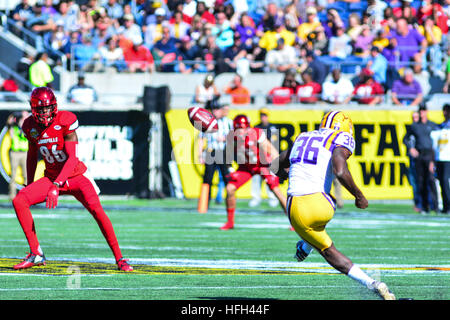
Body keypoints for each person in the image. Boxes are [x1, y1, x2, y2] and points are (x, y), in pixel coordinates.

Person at [271, 111, 396, 300]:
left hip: (297, 207)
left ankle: (372, 284)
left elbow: (274, 164)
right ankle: (374, 284)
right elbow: (339, 169)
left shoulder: (303, 136)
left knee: (328, 252)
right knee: (323, 242)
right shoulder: (341, 137)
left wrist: (284, 174)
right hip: (324, 205)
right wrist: (359, 195)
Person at [12, 87, 133, 271]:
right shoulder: (29, 125)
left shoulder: (65, 120)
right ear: (33, 108)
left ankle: (120, 258)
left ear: (54, 106)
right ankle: (36, 253)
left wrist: (56, 185)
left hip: (75, 176)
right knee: (19, 200)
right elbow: (31, 155)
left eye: (48, 108)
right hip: (52, 178)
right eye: (41, 109)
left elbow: (72, 159)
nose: (45, 113)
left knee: (97, 211)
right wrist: (31, 183)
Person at [221, 114, 287, 230]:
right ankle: (230, 222)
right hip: (246, 167)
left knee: (276, 191)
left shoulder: (256, 134)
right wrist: (230, 168)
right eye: (238, 129)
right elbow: (227, 154)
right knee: (230, 188)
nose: (241, 132)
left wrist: (278, 167)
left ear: (248, 127)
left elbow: (271, 150)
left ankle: (293, 222)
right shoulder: (232, 137)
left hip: (263, 164)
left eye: (243, 128)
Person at [197, 101, 233, 213]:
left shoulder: (228, 122)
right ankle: (204, 205)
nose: (215, 111)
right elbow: (201, 139)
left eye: (217, 109)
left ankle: (230, 205)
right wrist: (200, 155)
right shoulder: (206, 122)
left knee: (227, 179)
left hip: (223, 152)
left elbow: (234, 137)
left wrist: (226, 138)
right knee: (207, 179)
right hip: (210, 152)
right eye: (213, 109)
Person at [403, 104, 439, 214]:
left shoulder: (432, 125)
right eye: (420, 110)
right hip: (419, 155)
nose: (422, 112)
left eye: (423, 110)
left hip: (430, 154)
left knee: (431, 180)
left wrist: (433, 159)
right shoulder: (415, 126)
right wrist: (411, 148)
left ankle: (436, 206)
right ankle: (424, 206)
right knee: (420, 180)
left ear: (427, 111)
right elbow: (405, 138)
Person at [250, 108, 279, 208]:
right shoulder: (256, 127)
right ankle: (256, 198)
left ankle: (272, 197)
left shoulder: (272, 128)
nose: (263, 118)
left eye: (265, 115)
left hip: (269, 156)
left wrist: (273, 156)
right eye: (262, 115)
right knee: (256, 177)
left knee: (270, 177)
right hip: (258, 156)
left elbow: (274, 143)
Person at [430, 104, 450, 214]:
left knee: (446, 181)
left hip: (448, 158)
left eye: (448, 110)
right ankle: (446, 206)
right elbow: (435, 145)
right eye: (445, 110)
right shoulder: (440, 126)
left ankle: (448, 205)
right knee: (442, 181)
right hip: (440, 158)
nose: (446, 113)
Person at [7, 111, 29, 200]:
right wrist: (14, 115)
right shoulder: (13, 127)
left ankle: (27, 195)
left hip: (25, 153)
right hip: (15, 153)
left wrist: (24, 120)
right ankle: (12, 196)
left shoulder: (28, 127)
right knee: (13, 175)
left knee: (26, 175)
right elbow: (9, 122)